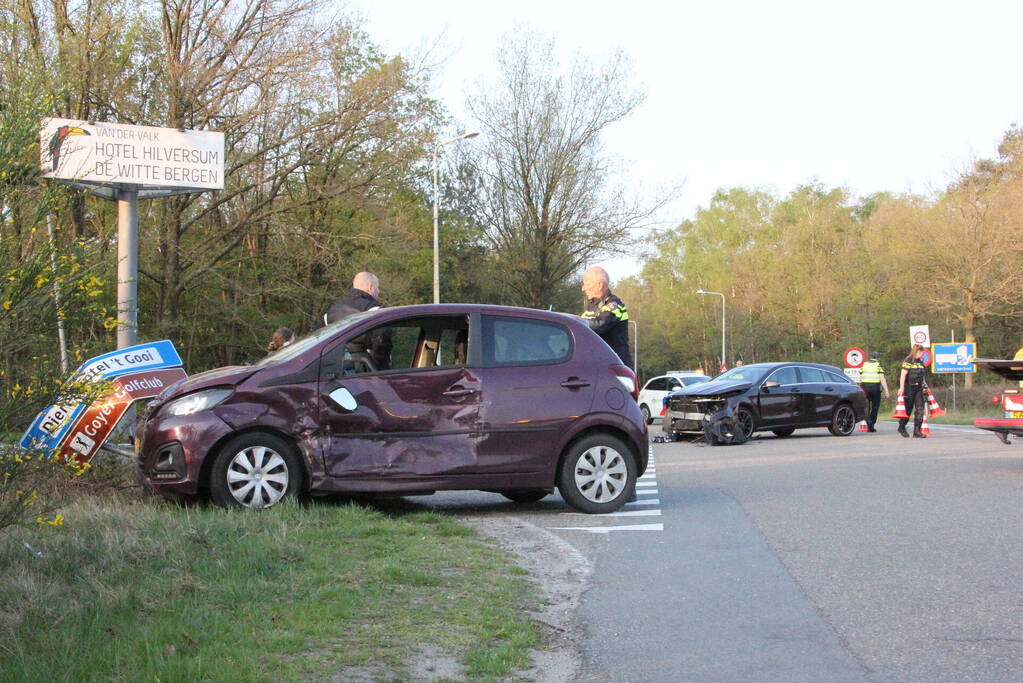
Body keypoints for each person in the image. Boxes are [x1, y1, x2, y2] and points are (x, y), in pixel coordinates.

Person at [323, 271, 392, 370]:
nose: (378, 291)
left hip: (338, 369)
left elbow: (317, 338)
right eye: (377, 287)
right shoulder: (373, 310)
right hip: (365, 369)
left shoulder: (332, 311)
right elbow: (383, 339)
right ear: (370, 287)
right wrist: (379, 363)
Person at [580, 266, 633, 369]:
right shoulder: (592, 307)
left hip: (617, 367)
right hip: (600, 365)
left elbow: (600, 325)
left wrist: (576, 322)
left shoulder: (615, 305)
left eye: (586, 283)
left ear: (599, 285)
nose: (583, 288)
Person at [897, 344, 929, 438]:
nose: (922, 354)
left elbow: (922, 376)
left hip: (919, 388)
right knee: (908, 409)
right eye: (921, 352)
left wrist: (925, 385)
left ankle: (917, 431)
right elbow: (903, 375)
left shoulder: (920, 362)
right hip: (909, 388)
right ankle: (901, 427)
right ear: (917, 352)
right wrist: (901, 387)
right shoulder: (908, 360)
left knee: (920, 409)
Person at [859, 350, 890, 432]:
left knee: (866, 407)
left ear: (870, 357)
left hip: (864, 387)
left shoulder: (864, 365)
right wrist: (887, 391)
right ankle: (871, 423)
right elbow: (882, 379)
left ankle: (868, 421)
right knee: (875, 407)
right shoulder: (878, 366)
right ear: (878, 358)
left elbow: (860, 377)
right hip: (875, 388)